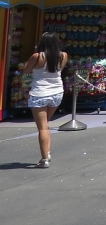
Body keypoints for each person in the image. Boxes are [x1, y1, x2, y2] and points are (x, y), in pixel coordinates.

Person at [25, 32, 68, 168]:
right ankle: (47, 153)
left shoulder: (37, 56)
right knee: (46, 124)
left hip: (40, 93)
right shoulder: (63, 56)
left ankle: (44, 159)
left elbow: (26, 70)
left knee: (42, 127)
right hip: (57, 92)